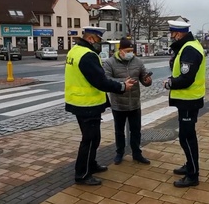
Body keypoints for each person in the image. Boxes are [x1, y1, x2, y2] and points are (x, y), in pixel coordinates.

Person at [64, 26, 137, 186]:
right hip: (87, 104)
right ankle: (82, 174)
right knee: (89, 140)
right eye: (98, 40)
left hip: (78, 102)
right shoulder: (87, 55)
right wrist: (122, 87)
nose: (99, 44)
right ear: (91, 39)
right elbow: (100, 81)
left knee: (94, 138)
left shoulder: (74, 51)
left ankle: (92, 164)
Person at [163, 20, 206, 188]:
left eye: (172, 34)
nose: (172, 37)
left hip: (189, 100)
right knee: (185, 136)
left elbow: (186, 78)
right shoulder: (187, 47)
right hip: (187, 99)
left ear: (178, 34)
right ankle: (189, 165)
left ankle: (193, 174)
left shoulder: (190, 50)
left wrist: (169, 83)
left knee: (187, 137)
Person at [103, 37, 153, 165]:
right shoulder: (109, 62)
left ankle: (137, 153)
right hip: (118, 104)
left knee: (136, 130)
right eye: (127, 50)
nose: (130, 53)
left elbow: (144, 77)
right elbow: (106, 80)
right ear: (120, 50)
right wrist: (123, 83)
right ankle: (119, 153)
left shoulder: (138, 62)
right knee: (119, 131)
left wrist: (147, 81)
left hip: (134, 103)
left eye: (132, 50)